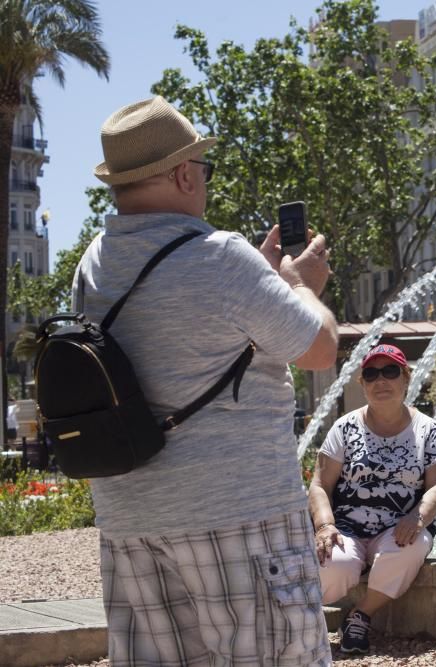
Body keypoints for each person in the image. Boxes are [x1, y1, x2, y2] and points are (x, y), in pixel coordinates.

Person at [80, 96, 339, 665]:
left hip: (131, 524)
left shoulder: (92, 263)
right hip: (240, 520)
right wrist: (300, 287)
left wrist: (266, 285)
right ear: (181, 173)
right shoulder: (220, 256)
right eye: (203, 169)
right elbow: (320, 349)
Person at [309, 343, 436, 654]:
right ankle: (306, 621)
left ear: (406, 378)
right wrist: (325, 526)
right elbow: (319, 484)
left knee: (411, 547)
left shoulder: (429, 431)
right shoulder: (344, 428)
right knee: (333, 564)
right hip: (346, 526)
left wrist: (418, 517)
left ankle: (361, 615)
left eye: (390, 371)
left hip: (399, 527)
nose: (380, 380)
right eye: (371, 374)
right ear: (362, 383)